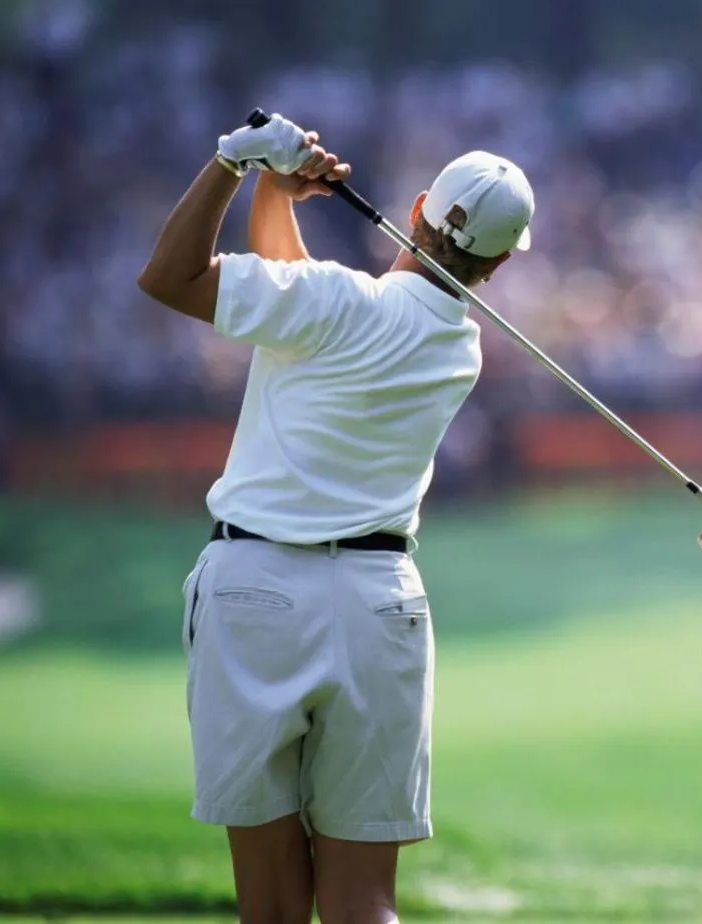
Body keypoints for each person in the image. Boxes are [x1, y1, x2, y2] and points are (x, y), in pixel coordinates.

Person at [137, 112, 535, 924]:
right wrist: (277, 195)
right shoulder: (459, 348)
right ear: (496, 264)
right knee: (365, 902)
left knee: (273, 906)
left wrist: (234, 161)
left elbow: (171, 278)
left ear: (418, 208)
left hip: (255, 594)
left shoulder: (329, 303)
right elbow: (298, 301)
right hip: (379, 608)